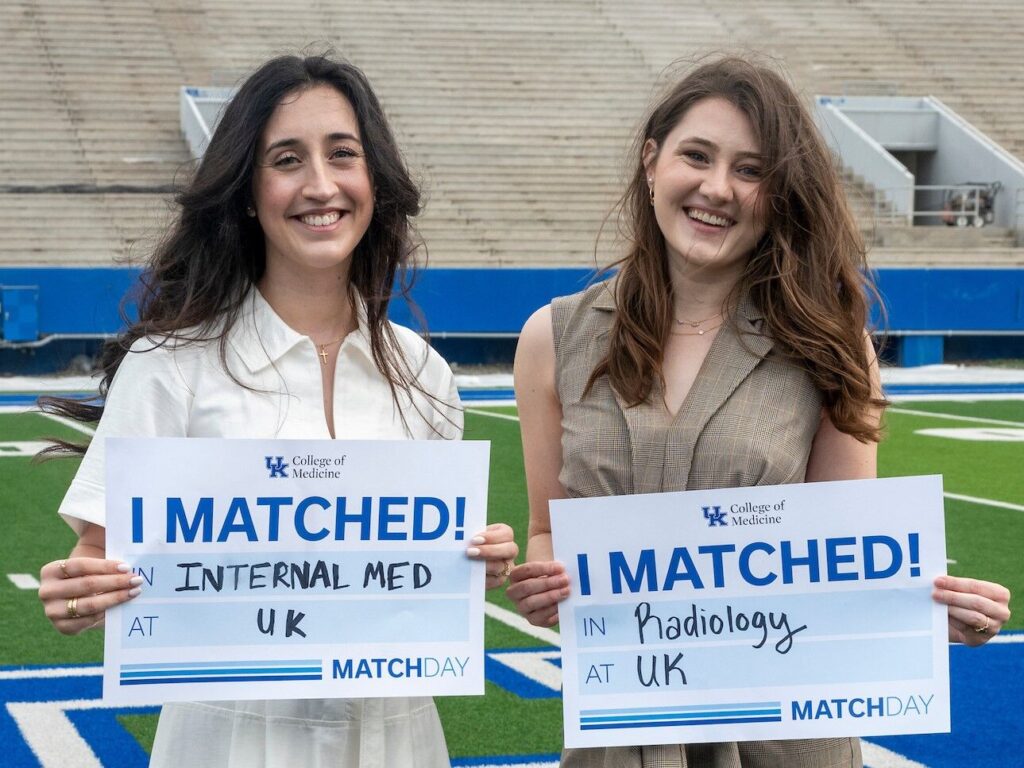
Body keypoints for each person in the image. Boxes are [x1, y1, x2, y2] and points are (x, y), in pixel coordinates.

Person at [506, 56, 1011, 768]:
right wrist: (543, 585)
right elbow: (546, 532)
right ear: (652, 163)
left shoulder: (830, 345)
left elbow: (847, 568)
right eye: (697, 156)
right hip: (622, 736)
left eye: (751, 170)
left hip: (784, 741)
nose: (718, 189)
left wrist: (937, 615)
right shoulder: (552, 338)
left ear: (779, 195)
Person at [36, 53, 517, 768]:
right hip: (226, 743)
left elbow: (420, 580)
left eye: (343, 155)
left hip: (395, 740)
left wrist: (478, 559)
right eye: (287, 159)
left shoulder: (424, 373)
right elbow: (95, 559)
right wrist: (77, 595)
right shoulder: (171, 365)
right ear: (246, 192)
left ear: (373, 180)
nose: (320, 185)